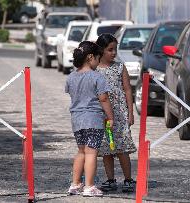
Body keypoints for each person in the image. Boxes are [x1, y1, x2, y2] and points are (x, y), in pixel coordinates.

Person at [65, 41, 114, 197]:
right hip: (93, 119)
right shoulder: (97, 77)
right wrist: (110, 117)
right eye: (98, 59)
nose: (99, 63)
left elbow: (73, 95)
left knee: (81, 152)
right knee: (92, 152)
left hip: (77, 120)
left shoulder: (71, 77)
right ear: (91, 57)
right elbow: (104, 99)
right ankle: (89, 186)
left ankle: (75, 184)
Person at [96, 34, 137, 192]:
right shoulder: (94, 69)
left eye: (115, 49)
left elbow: (127, 90)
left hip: (120, 115)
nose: (114, 53)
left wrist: (130, 113)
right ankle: (110, 179)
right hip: (101, 115)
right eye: (110, 50)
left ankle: (128, 179)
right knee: (106, 149)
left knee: (122, 148)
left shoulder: (120, 67)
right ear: (101, 50)